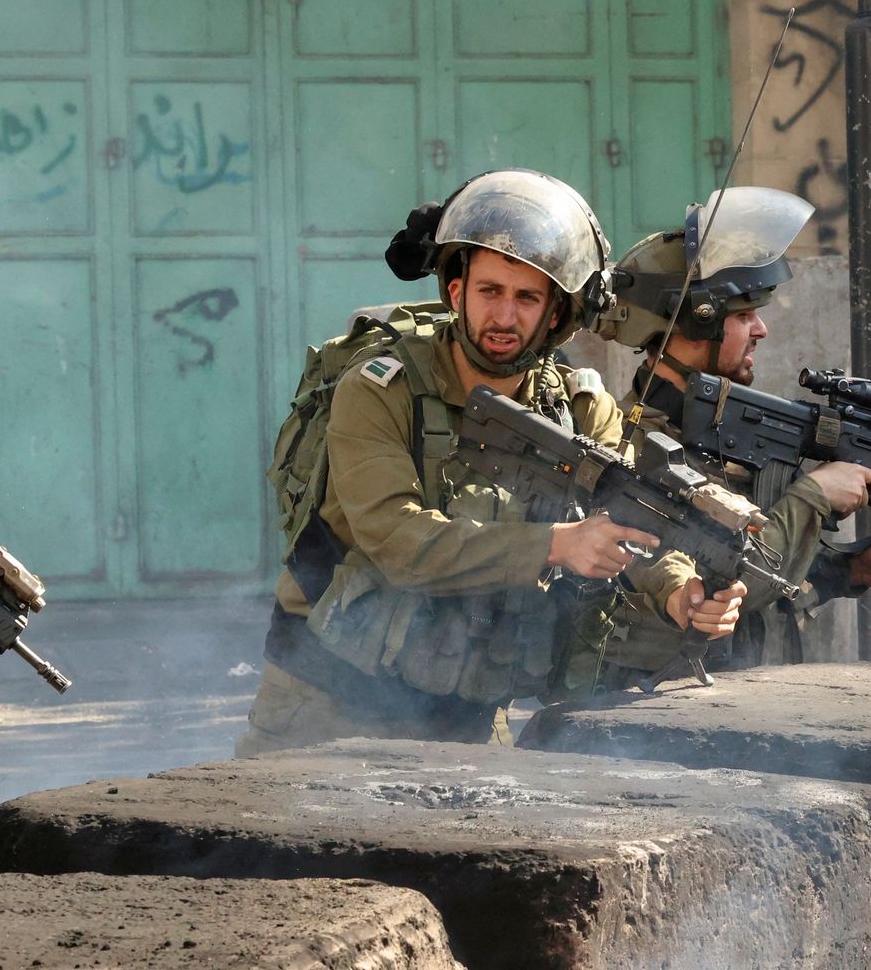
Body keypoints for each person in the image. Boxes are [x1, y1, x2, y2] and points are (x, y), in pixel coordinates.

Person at [238, 170, 744, 755]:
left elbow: (631, 519)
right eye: (489, 292)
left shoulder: (580, 406)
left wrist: (681, 591)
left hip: (469, 712)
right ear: (456, 293)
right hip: (327, 704)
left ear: (557, 312)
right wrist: (557, 544)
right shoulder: (382, 389)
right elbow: (397, 541)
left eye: (527, 297)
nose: (504, 317)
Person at [583, 186, 871, 684]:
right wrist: (813, 497)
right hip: (657, 708)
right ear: (695, 324)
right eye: (742, 315)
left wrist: (853, 569)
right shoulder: (632, 447)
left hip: (745, 693)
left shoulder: (726, 432)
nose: (761, 329)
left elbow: (781, 579)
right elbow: (730, 582)